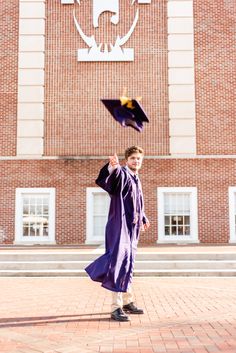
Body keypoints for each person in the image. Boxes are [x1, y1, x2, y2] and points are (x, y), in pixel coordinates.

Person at [85, 146, 150, 321]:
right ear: (127, 160)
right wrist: (113, 167)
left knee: (129, 263)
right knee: (118, 263)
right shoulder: (123, 174)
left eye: (138, 159)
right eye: (133, 158)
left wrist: (142, 216)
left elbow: (137, 201)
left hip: (132, 227)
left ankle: (128, 301)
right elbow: (114, 182)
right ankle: (116, 307)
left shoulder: (137, 178)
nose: (136, 161)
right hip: (119, 226)